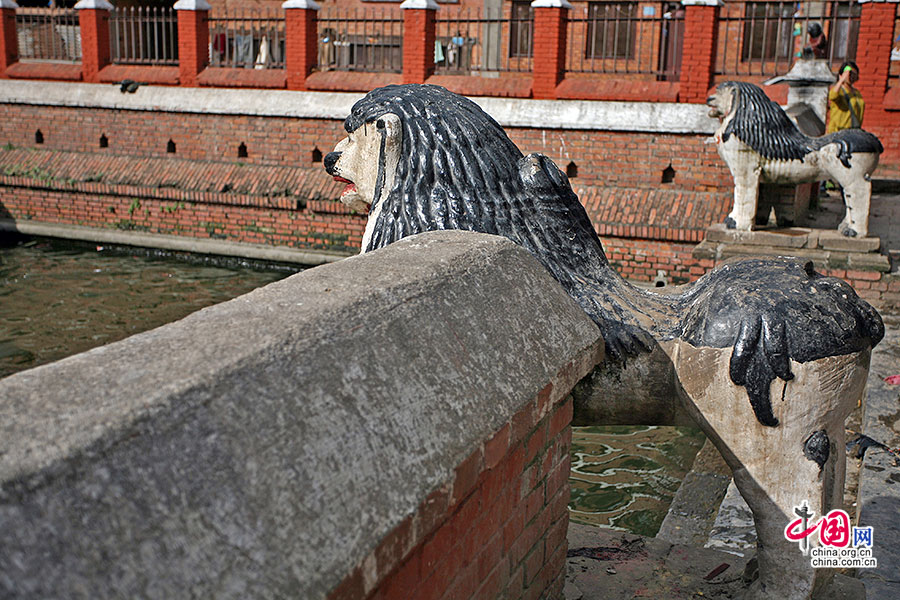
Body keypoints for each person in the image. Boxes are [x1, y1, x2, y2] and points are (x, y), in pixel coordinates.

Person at [827, 61, 864, 134]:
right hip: (838, 132)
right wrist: (841, 80)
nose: (851, 76)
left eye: (854, 74)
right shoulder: (839, 90)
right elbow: (833, 96)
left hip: (853, 131)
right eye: (850, 74)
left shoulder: (857, 93)